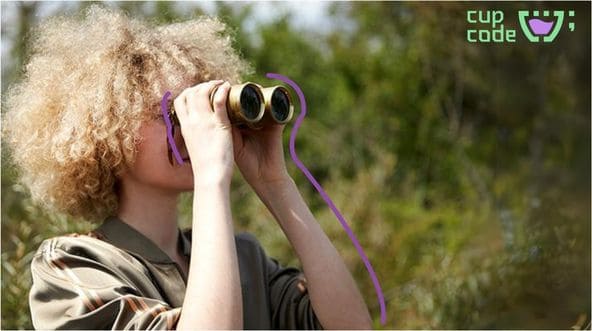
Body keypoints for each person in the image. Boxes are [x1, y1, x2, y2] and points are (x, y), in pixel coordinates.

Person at [3, 5, 372, 330]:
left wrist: (275, 182)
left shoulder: (245, 259)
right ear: (105, 133)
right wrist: (213, 177)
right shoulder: (72, 266)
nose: (191, 127)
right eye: (166, 111)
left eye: (197, 109)